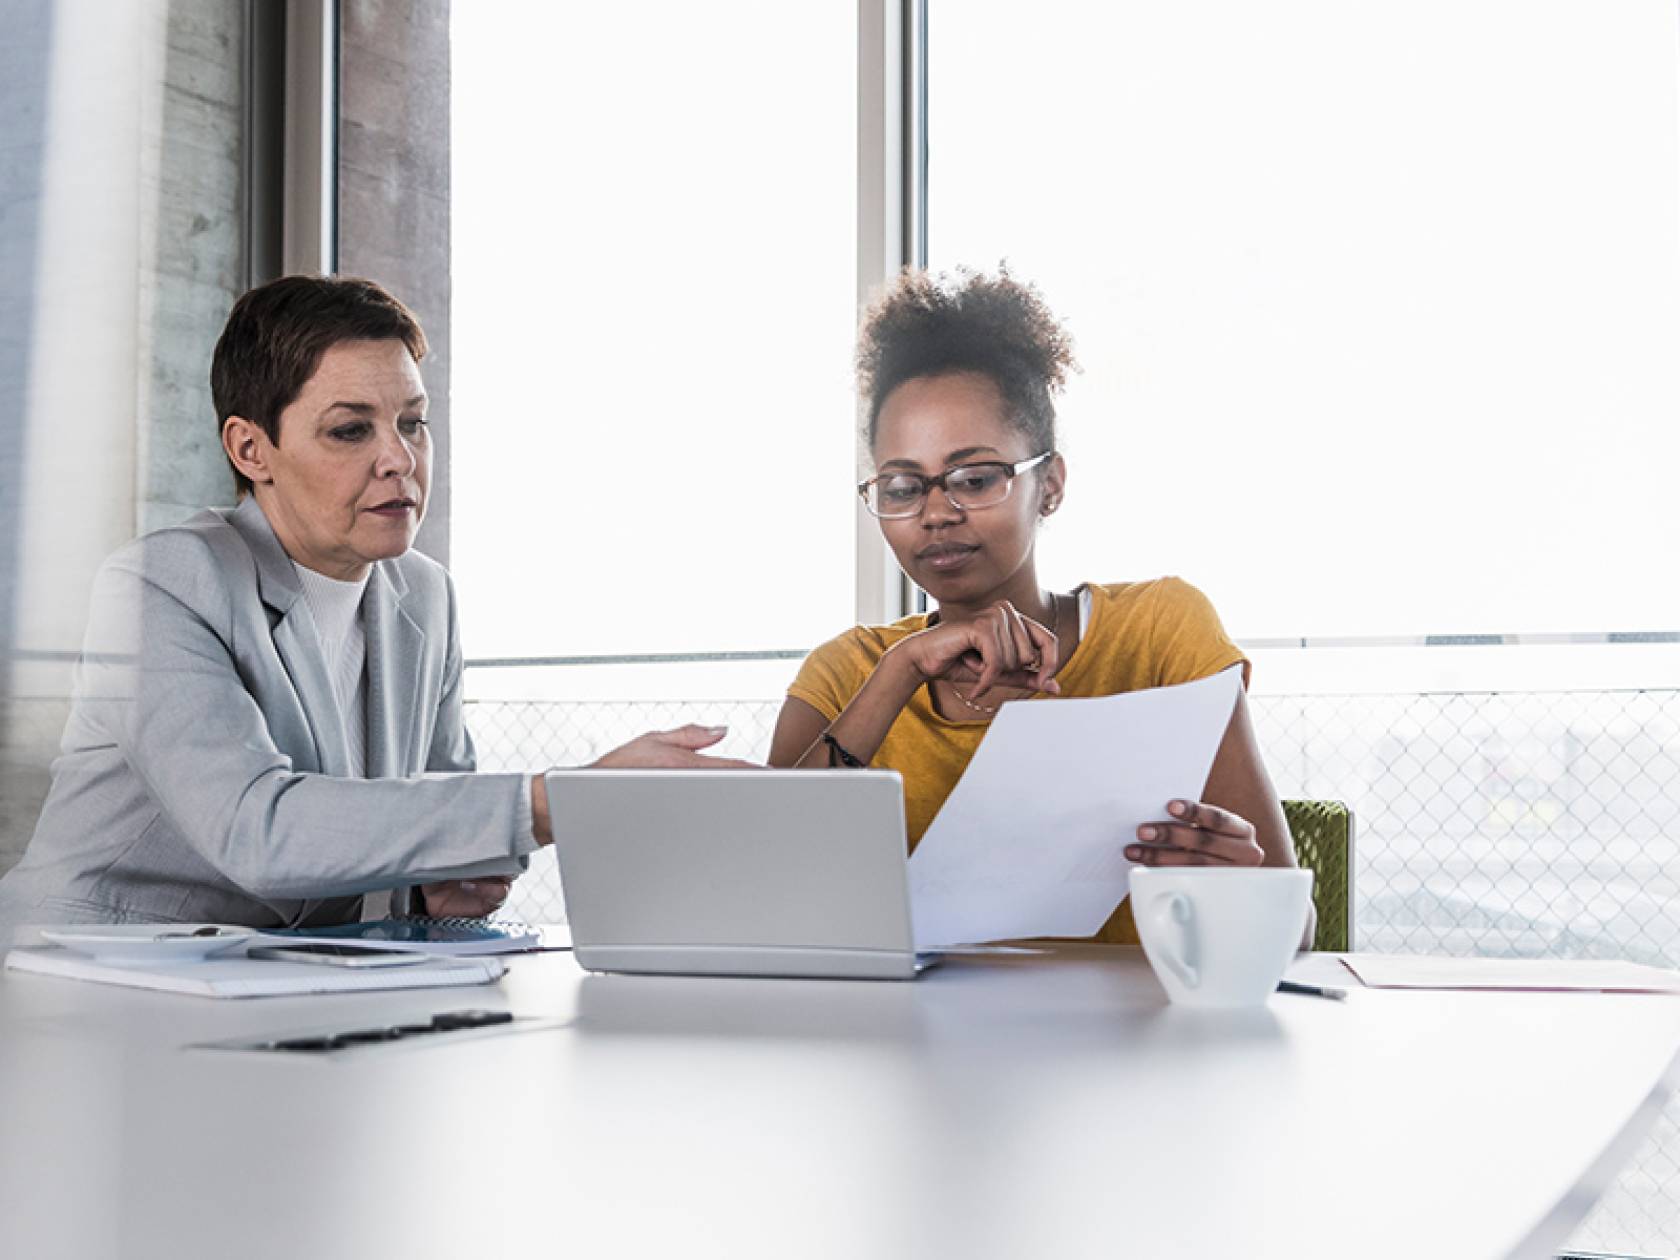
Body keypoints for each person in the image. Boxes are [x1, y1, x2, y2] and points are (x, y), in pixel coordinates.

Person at [0, 275, 744, 941]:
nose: (399, 459)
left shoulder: (424, 595)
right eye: (351, 430)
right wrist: (559, 801)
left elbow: (426, 812)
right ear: (251, 449)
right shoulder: (160, 584)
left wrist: (434, 882)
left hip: (281, 983)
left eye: (411, 422)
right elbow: (258, 831)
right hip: (89, 976)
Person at [768, 267, 1309, 945]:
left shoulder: (1160, 633)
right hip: (910, 1046)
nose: (937, 512)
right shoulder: (849, 673)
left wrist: (1248, 895)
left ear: (1048, 485)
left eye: (974, 478)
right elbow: (767, 900)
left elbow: (1297, 932)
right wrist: (901, 670)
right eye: (903, 486)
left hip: (1137, 1046)